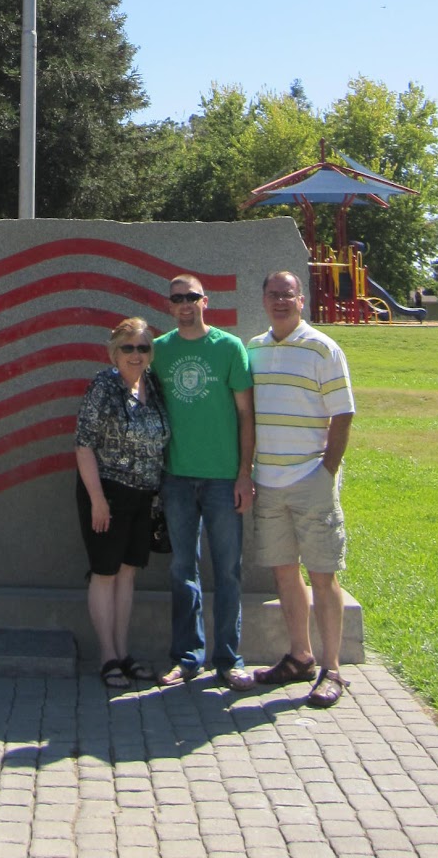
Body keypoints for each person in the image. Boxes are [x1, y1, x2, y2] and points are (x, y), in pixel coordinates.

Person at [248, 270, 356, 707]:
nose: (280, 301)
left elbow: (343, 414)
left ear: (301, 300)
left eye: (287, 295)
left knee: (323, 575)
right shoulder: (254, 349)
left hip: (311, 479)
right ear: (263, 300)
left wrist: (326, 471)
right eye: (273, 294)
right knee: (284, 572)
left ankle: (332, 668)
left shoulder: (323, 348)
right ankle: (299, 656)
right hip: (268, 481)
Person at [152, 274, 256, 690]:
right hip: (176, 477)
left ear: (205, 301)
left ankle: (229, 659)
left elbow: (246, 414)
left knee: (228, 570)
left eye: (191, 296)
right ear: (169, 305)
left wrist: (244, 473)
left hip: (222, 478)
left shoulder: (229, 348)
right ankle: (186, 657)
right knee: (182, 569)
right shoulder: (159, 350)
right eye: (177, 298)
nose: (185, 303)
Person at [75, 317, 171, 689]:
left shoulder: (154, 385)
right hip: (108, 493)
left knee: (128, 573)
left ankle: (124, 651)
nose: (136, 354)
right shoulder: (104, 386)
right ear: (115, 352)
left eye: (143, 347)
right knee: (105, 572)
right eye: (128, 347)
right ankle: (108, 656)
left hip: (144, 496)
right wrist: (98, 499)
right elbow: (84, 444)